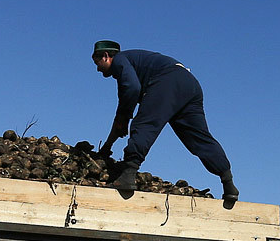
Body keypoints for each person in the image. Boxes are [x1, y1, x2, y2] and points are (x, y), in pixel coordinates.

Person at [90, 40, 239, 209]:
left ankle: (128, 174)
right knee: (198, 137)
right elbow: (122, 113)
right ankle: (228, 182)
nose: (97, 69)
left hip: (168, 80)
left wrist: (124, 118)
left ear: (106, 56)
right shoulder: (134, 64)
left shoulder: (120, 60)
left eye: (97, 63)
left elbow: (131, 89)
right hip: (190, 84)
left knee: (144, 124)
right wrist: (108, 144)